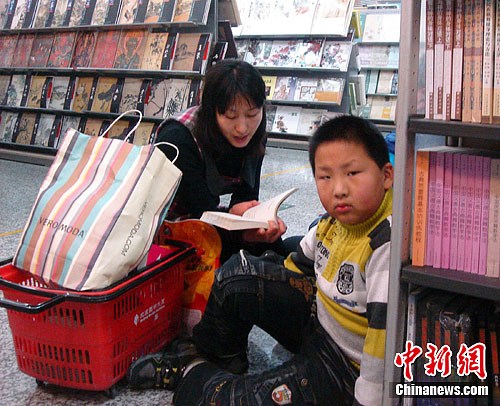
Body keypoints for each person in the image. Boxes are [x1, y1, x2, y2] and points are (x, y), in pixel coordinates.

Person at [128, 115, 394, 405]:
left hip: (343, 368)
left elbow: (381, 347)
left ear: (387, 176)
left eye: (352, 173)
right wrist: (261, 281)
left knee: (227, 399)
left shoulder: (385, 245)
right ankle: (212, 358)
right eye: (325, 177)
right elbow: (297, 263)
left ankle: (194, 374)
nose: (339, 189)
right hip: (318, 322)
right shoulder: (334, 220)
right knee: (238, 275)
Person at [155, 59, 292, 262]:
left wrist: (250, 216)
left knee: (274, 247)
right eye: (230, 116)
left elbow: (246, 194)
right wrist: (241, 230)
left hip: (208, 215)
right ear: (211, 111)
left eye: (252, 114)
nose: (242, 128)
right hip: (170, 227)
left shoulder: (255, 133)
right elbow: (201, 214)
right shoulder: (178, 138)